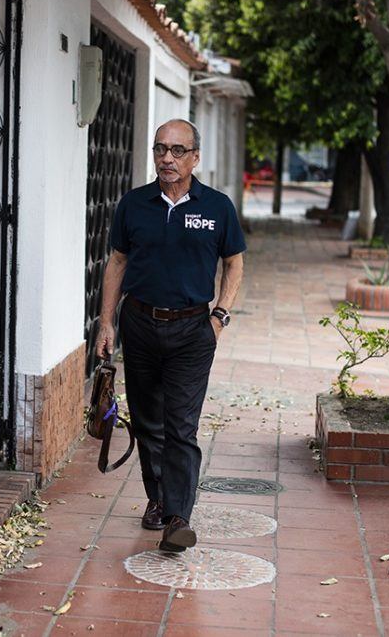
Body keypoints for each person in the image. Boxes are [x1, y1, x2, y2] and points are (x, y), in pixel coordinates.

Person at [94, 119, 246, 552]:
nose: (167, 158)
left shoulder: (216, 207)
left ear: (195, 158)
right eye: (161, 149)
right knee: (147, 423)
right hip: (139, 324)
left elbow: (234, 263)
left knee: (182, 425)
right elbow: (117, 263)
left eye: (178, 150)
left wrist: (219, 317)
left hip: (193, 330)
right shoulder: (134, 204)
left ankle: (178, 515)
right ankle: (158, 499)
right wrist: (106, 322)